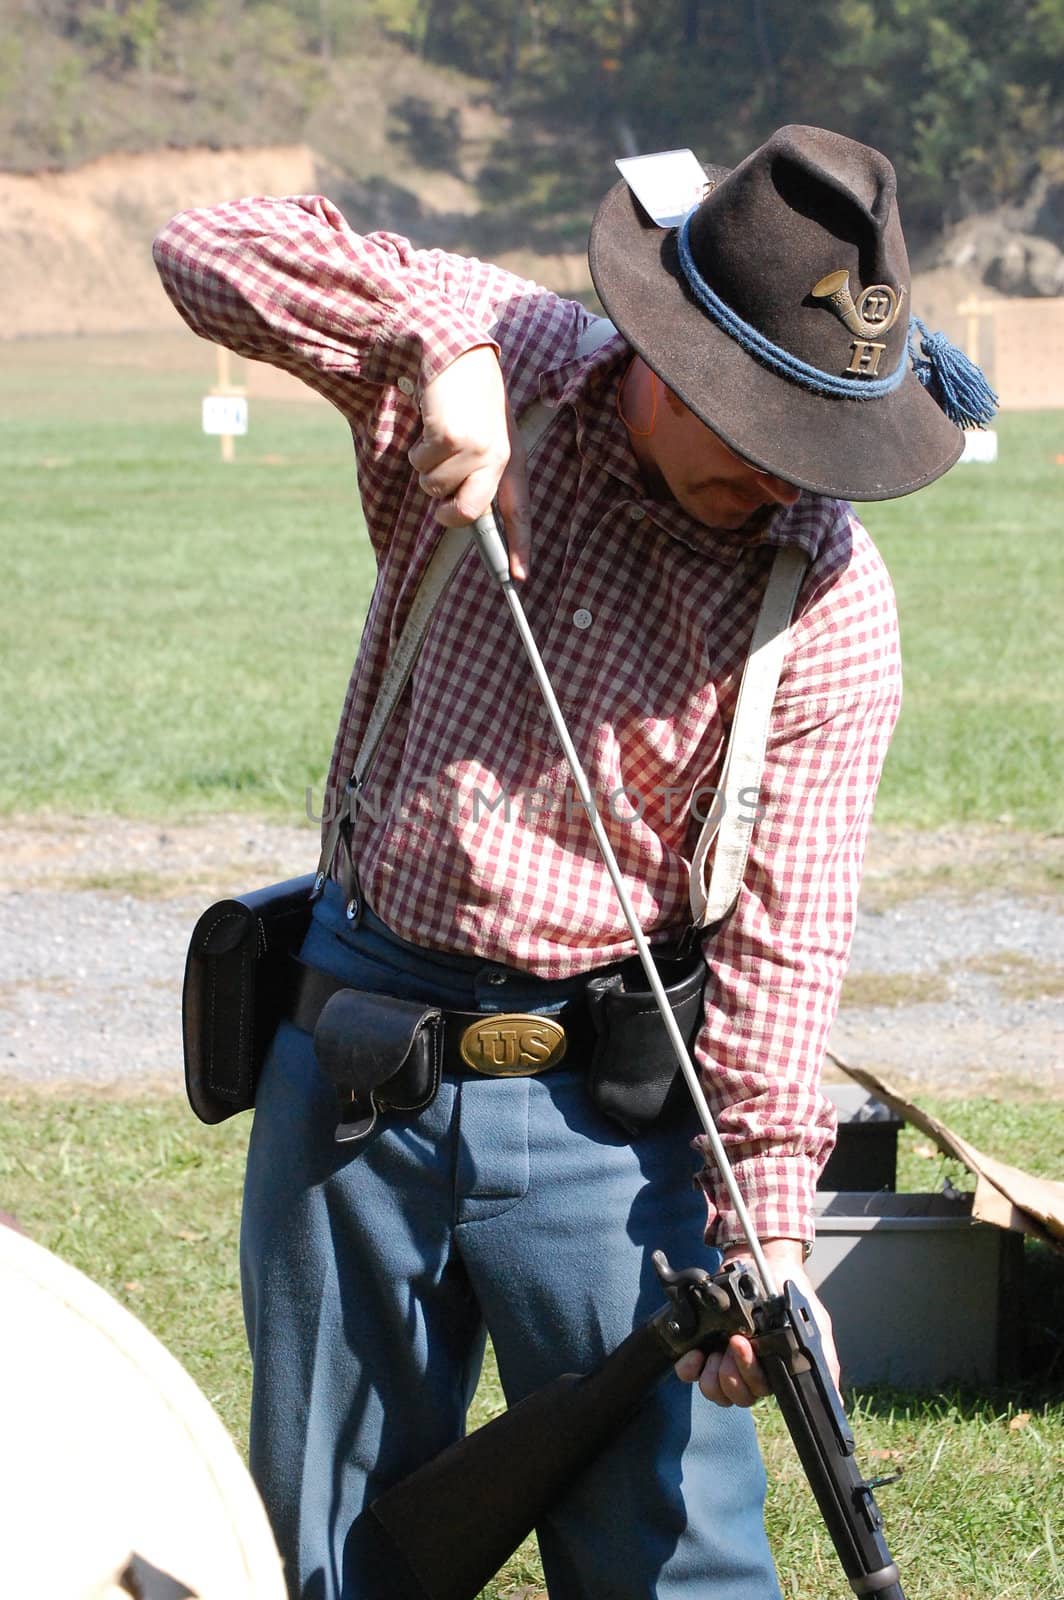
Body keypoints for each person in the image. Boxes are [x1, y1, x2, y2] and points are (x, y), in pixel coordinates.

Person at [153, 124, 991, 1600]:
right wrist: (431, 346)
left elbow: (786, 949)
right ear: (669, 358)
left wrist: (770, 1240)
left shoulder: (833, 602)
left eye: (824, 436)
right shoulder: (517, 354)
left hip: (614, 1128)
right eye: (767, 425)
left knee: (680, 1568)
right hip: (351, 1070)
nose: (798, 479)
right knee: (323, 1560)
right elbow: (204, 248)